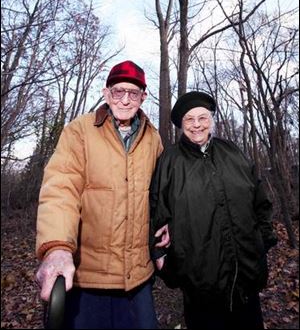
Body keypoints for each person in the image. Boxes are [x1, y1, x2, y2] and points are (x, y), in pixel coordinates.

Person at [36, 60, 165, 329]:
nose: (125, 100)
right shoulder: (79, 131)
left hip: (138, 279)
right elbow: (61, 190)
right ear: (106, 94)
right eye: (118, 91)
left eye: (133, 93)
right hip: (88, 279)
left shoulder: (154, 138)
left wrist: (169, 223)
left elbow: (162, 194)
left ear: (143, 97)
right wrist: (57, 248)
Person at [150, 91, 278, 330]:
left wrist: (263, 242)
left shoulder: (233, 153)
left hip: (246, 280)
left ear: (211, 120)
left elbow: (260, 202)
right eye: (189, 119)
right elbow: (156, 216)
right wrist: (165, 264)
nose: (197, 125)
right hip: (200, 289)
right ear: (181, 125)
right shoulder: (169, 162)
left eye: (203, 117)